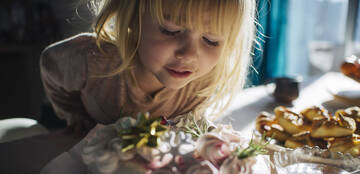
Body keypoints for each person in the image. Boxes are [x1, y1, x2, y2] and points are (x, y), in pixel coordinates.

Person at [40, 0, 257, 137]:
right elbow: (50, 63)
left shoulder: (201, 81)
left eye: (211, 40)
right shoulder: (93, 59)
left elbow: (188, 126)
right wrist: (72, 113)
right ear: (134, 18)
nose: (189, 55)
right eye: (170, 30)